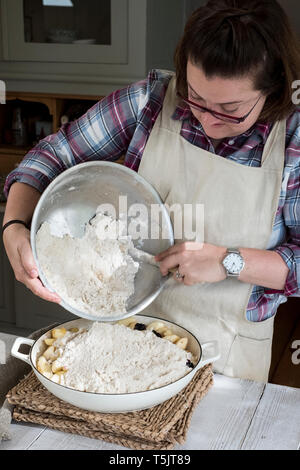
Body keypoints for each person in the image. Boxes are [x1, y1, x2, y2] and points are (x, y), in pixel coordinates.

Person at [3, 0, 300, 382]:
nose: (208, 120)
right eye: (196, 97)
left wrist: (229, 261)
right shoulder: (150, 102)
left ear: (273, 87)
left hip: (227, 361)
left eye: (230, 109)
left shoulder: (292, 141)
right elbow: (49, 155)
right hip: (119, 347)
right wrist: (14, 225)